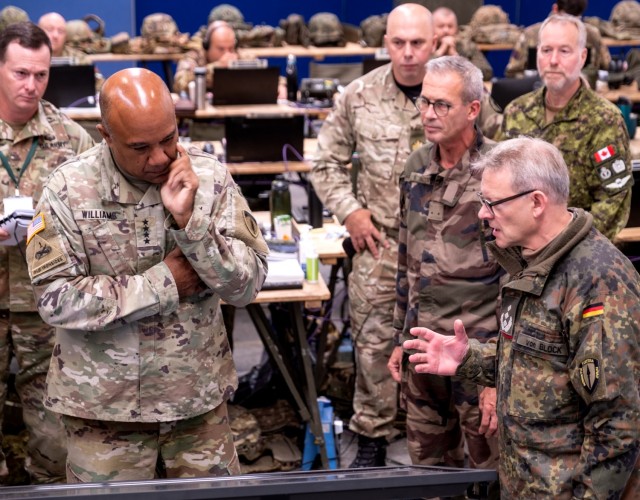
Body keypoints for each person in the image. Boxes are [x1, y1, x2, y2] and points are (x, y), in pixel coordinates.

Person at [26, 67, 269, 482]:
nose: (160, 158)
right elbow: (55, 299)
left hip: (196, 404)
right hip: (103, 411)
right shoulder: (67, 189)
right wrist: (164, 283)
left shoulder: (209, 180)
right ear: (105, 134)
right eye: (140, 147)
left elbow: (246, 286)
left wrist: (192, 224)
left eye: (169, 139)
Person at [404, 136, 640, 498]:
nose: (482, 213)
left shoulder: (598, 283)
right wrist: (469, 359)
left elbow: (619, 424)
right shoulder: (531, 263)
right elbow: (541, 362)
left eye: (491, 203)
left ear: (536, 203)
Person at [310, 3, 436, 467]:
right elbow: (325, 162)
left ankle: (441, 440)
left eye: (417, 43)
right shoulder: (358, 95)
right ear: (386, 43)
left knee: (445, 341)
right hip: (379, 242)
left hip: (448, 250)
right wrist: (351, 212)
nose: (407, 53)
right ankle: (373, 435)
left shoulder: (457, 93)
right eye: (398, 42)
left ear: (435, 43)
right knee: (373, 343)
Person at [386, 55, 501, 475]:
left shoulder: (499, 175)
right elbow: (407, 259)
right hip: (422, 349)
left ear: (473, 109)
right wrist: (400, 336)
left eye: (442, 105)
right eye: (424, 102)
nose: (429, 114)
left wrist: (496, 373)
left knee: (490, 475)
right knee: (429, 473)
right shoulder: (416, 167)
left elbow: (520, 281)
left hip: (477, 349)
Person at [0, 22, 94, 483]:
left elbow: (101, 215)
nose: (31, 85)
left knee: (56, 445)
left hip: (46, 307)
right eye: (20, 73)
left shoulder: (71, 138)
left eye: (41, 74)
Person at [501, 14, 631, 241]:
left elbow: (613, 201)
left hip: (578, 250)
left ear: (582, 57)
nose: (553, 60)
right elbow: (502, 184)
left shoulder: (604, 119)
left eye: (564, 51)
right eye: (546, 50)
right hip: (519, 247)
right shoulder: (516, 112)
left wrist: (560, 243)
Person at [504, 0, 611, 79]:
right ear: (555, 9)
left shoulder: (592, 35)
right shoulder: (532, 34)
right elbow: (512, 72)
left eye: (575, 20)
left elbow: (607, 68)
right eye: (547, 50)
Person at [173, 21, 238, 94]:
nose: (227, 54)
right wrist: (216, 68)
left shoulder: (236, 54)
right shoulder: (194, 54)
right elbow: (180, 85)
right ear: (207, 46)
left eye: (231, 48)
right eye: (221, 49)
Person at [431, 7, 493, 81]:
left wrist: (457, 57)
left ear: (456, 29)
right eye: (441, 26)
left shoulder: (467, 46)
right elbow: (419, 72)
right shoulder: (425, 46)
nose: (446, 30)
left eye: (450, 26)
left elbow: (487, 73)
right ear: (431, 28)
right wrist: (440, 52)